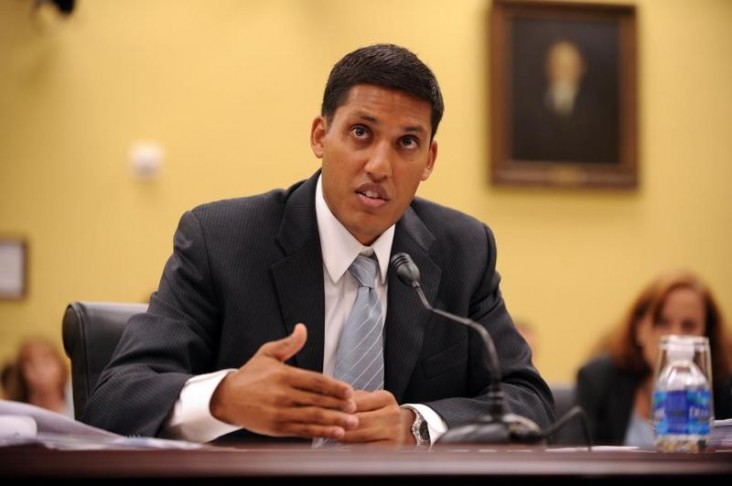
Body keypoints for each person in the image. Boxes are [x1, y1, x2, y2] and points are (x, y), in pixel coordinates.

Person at [82, 43, 555, 446]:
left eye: (406, 143)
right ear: (319, 136)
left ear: (429, 159)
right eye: (361, 132)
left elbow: (529, 403)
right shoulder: (223, 240)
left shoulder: (462, 251)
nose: (379, 165)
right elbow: (114, 399)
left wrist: (417, 426)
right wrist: (224, 398)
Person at [572, 268, 732, 447]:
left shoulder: (724, 387)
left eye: (688, 326)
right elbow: (576, 461)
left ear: (707, 334)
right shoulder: (598, 379)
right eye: (662, 323)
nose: (675, 337)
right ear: (640, 329)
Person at [4, 336, 74, 417]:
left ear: (60, 366)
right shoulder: (15, 412)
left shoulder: (79, 401)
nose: (40, 370)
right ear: (21, 373)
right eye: (32, 365)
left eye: (46, 362)